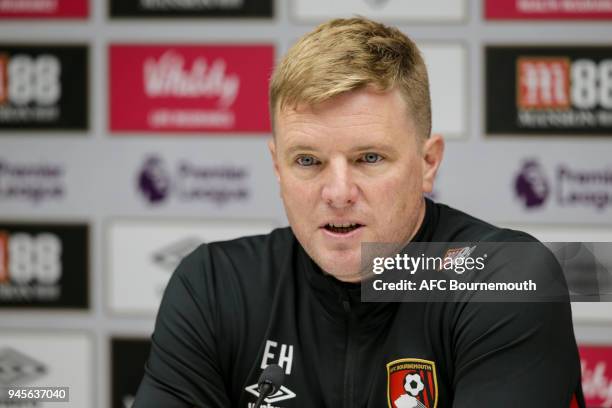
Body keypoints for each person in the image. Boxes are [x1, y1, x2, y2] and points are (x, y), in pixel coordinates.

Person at [133, 17, 584, 407]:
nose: (338, 192)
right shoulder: (214, 285)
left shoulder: (508, 279)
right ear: (277, 167)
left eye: (369, 158)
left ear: (428, 163)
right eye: (307, 161)